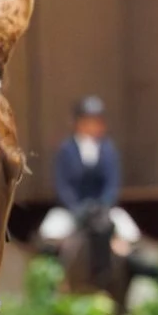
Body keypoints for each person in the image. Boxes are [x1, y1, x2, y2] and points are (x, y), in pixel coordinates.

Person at [39, 95, 142, 250]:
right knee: (50, 232)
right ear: (78, 123)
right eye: (88, 121)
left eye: (97, 121)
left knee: (130, 232)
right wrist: (76, 209)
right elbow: (62, 185)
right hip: (72, 209)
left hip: (103, 209)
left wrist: (103, 207)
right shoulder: (65, 150)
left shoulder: (108, 150)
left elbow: (112, 184)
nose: (93, 126)